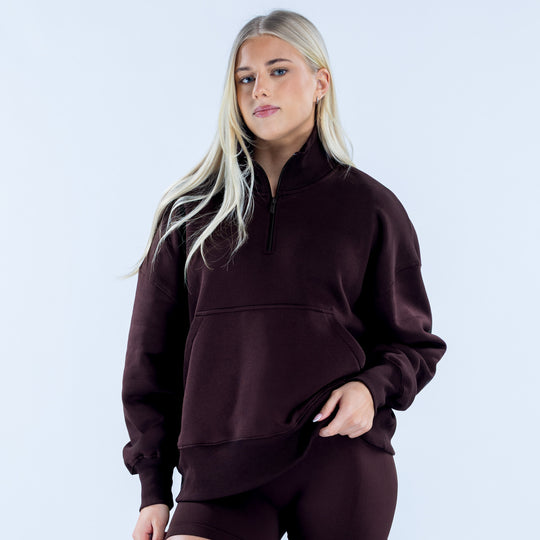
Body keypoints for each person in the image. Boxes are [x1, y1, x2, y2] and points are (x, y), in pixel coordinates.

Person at [121, 9, 447, 540]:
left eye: (278, 71)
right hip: (220, 473)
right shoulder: (190, 215)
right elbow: (149, 361)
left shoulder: (371, 208)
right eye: (245, 78)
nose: (260, 90)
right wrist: (153, 488)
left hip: (337, 458)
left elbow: (414, 343)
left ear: (320, 82)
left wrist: (371, 390)